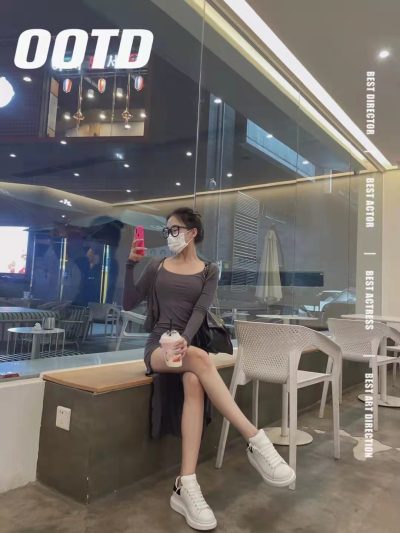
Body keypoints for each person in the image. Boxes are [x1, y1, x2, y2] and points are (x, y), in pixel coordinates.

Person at [123, 207, 295, 531]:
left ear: (192, 233)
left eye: (175, 230)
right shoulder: (156, 265)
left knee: (194, 380)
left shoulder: (209, 270)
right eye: (167, 230)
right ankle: (256, 441)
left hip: (186, 346)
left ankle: (185, 484)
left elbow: (200, 311)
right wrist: (131, 263)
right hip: (158, 347)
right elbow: (128, 302)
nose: (170, 235)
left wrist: (185, 341)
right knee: (201, 360)